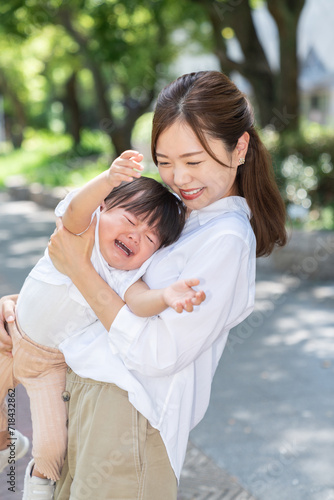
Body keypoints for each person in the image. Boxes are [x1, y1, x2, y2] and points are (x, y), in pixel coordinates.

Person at [0, 70, 287, 500]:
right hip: (84, 400)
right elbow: (109, 285)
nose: (179, 178)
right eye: (165, 162)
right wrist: (30, 309)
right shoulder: (180, 216)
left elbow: (158, 353)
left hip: (127, 419)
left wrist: (78, 269)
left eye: (194, 161)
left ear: (240, 147)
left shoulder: (225, 238)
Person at [0, 151, 206, 499]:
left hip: (48, 364)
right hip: (9, 334)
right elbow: (76, 208)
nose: (137, 235)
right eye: (130, 219)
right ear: (103, 209)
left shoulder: (124, 275)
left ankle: (37, 487)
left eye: (151, 238)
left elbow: (140, 302)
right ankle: (7, 442)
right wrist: (108, 179)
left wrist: (167, 295)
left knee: (52, 445)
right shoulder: (81, 232)